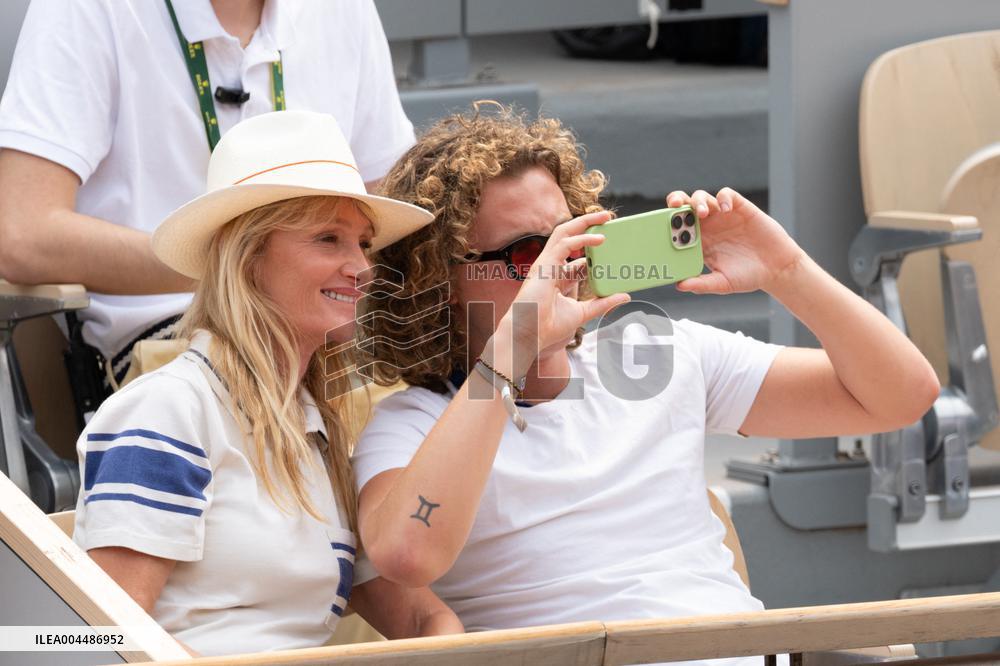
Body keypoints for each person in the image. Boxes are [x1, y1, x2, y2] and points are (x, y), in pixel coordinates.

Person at [349, 105, 941, 665]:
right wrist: (509, 355)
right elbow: (409, 555)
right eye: (532, 253)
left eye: (574, 241)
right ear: (440, 278)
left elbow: (900, 396)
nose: (566, 271)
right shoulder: (415, 422)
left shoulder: (653, 352)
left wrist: (787, 272)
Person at [72, 110, 462, 657]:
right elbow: (92, 639)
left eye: (363, 244)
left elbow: (421, 619)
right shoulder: (169, 410)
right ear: (247, 256)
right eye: (329, 239)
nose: (361, 267)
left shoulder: (317, 429)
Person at [0, 0, 413, 400]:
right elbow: (21, 234)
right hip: (173, 342)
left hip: (337, 336)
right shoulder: (86, 8)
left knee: (459, 385)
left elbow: (396, 210)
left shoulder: (344, 8)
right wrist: (246, 274)